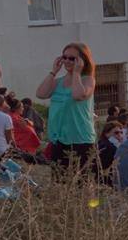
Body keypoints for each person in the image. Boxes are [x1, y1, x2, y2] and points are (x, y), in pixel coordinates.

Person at [36, 42, 96, 173]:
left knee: (79, 184)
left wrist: (77, 73)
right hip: (59, 140)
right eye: (65, 57)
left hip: (80, 140)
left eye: (72, 58)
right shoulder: (58, 82)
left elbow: (77, 95)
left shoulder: (88, 80)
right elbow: (41, 94)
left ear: (81, 60)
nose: (67, 61)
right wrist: (53, 72)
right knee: (59, 182)